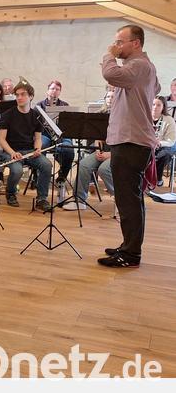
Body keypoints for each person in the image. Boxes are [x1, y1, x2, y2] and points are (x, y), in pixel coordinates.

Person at [99, 24, 160, 268]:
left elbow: (110, 74)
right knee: (130, 199)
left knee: (128, 201)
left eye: (120, 41)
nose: (116, 45)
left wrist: (109, 55)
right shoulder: (143, 67)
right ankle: (128, 246)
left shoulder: (139, 65)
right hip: (131, 140)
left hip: (131, 141)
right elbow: (155, 88)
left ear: (135, 43)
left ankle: (131, 254)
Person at [0, 82, 53, 211]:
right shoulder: (8, 115)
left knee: (46, 165)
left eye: (23, 94)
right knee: (17, 170)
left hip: (29, 151)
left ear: (31, 96)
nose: (19, 97)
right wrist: (12, 153)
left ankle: (41, 199)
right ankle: (11, 193)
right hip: (11, 151)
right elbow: (1, 139)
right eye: (17, 95)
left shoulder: (36, 116)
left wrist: (37, 149)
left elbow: (38, 138)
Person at [62, 88, 115, 211]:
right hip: (102, 150)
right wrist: (97, 149)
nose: (110, 99)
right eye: (108, 97)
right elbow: (97, 136)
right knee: (84, 165)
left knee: (103, 169)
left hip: (116, 152)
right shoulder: (100, 115)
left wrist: (109, 154)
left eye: (113, 97)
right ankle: (79, 200)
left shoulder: (123, 117)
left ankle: (122, 199)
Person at [36, 80, 75, 187]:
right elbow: (34, 123)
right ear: (47, 91)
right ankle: (39, 176)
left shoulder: (65, 105)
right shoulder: (39, 105)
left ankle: (62, 176)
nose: (54, 91)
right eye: (52, 88)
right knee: (40, 146)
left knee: (69, 149)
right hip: (45, 133)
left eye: (57, 89)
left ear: (60, 92)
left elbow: (70, 124)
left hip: (61, 135)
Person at [152, 96, 176, 185]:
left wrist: (159, 143)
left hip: (165, 145)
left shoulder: (169, 120)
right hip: (149, 144)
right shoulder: (145, 117)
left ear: (163, 107)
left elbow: (171, 141)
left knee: (162, 155)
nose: (155, 107)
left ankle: (157, 179)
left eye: (158, 105)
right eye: (153, 104)